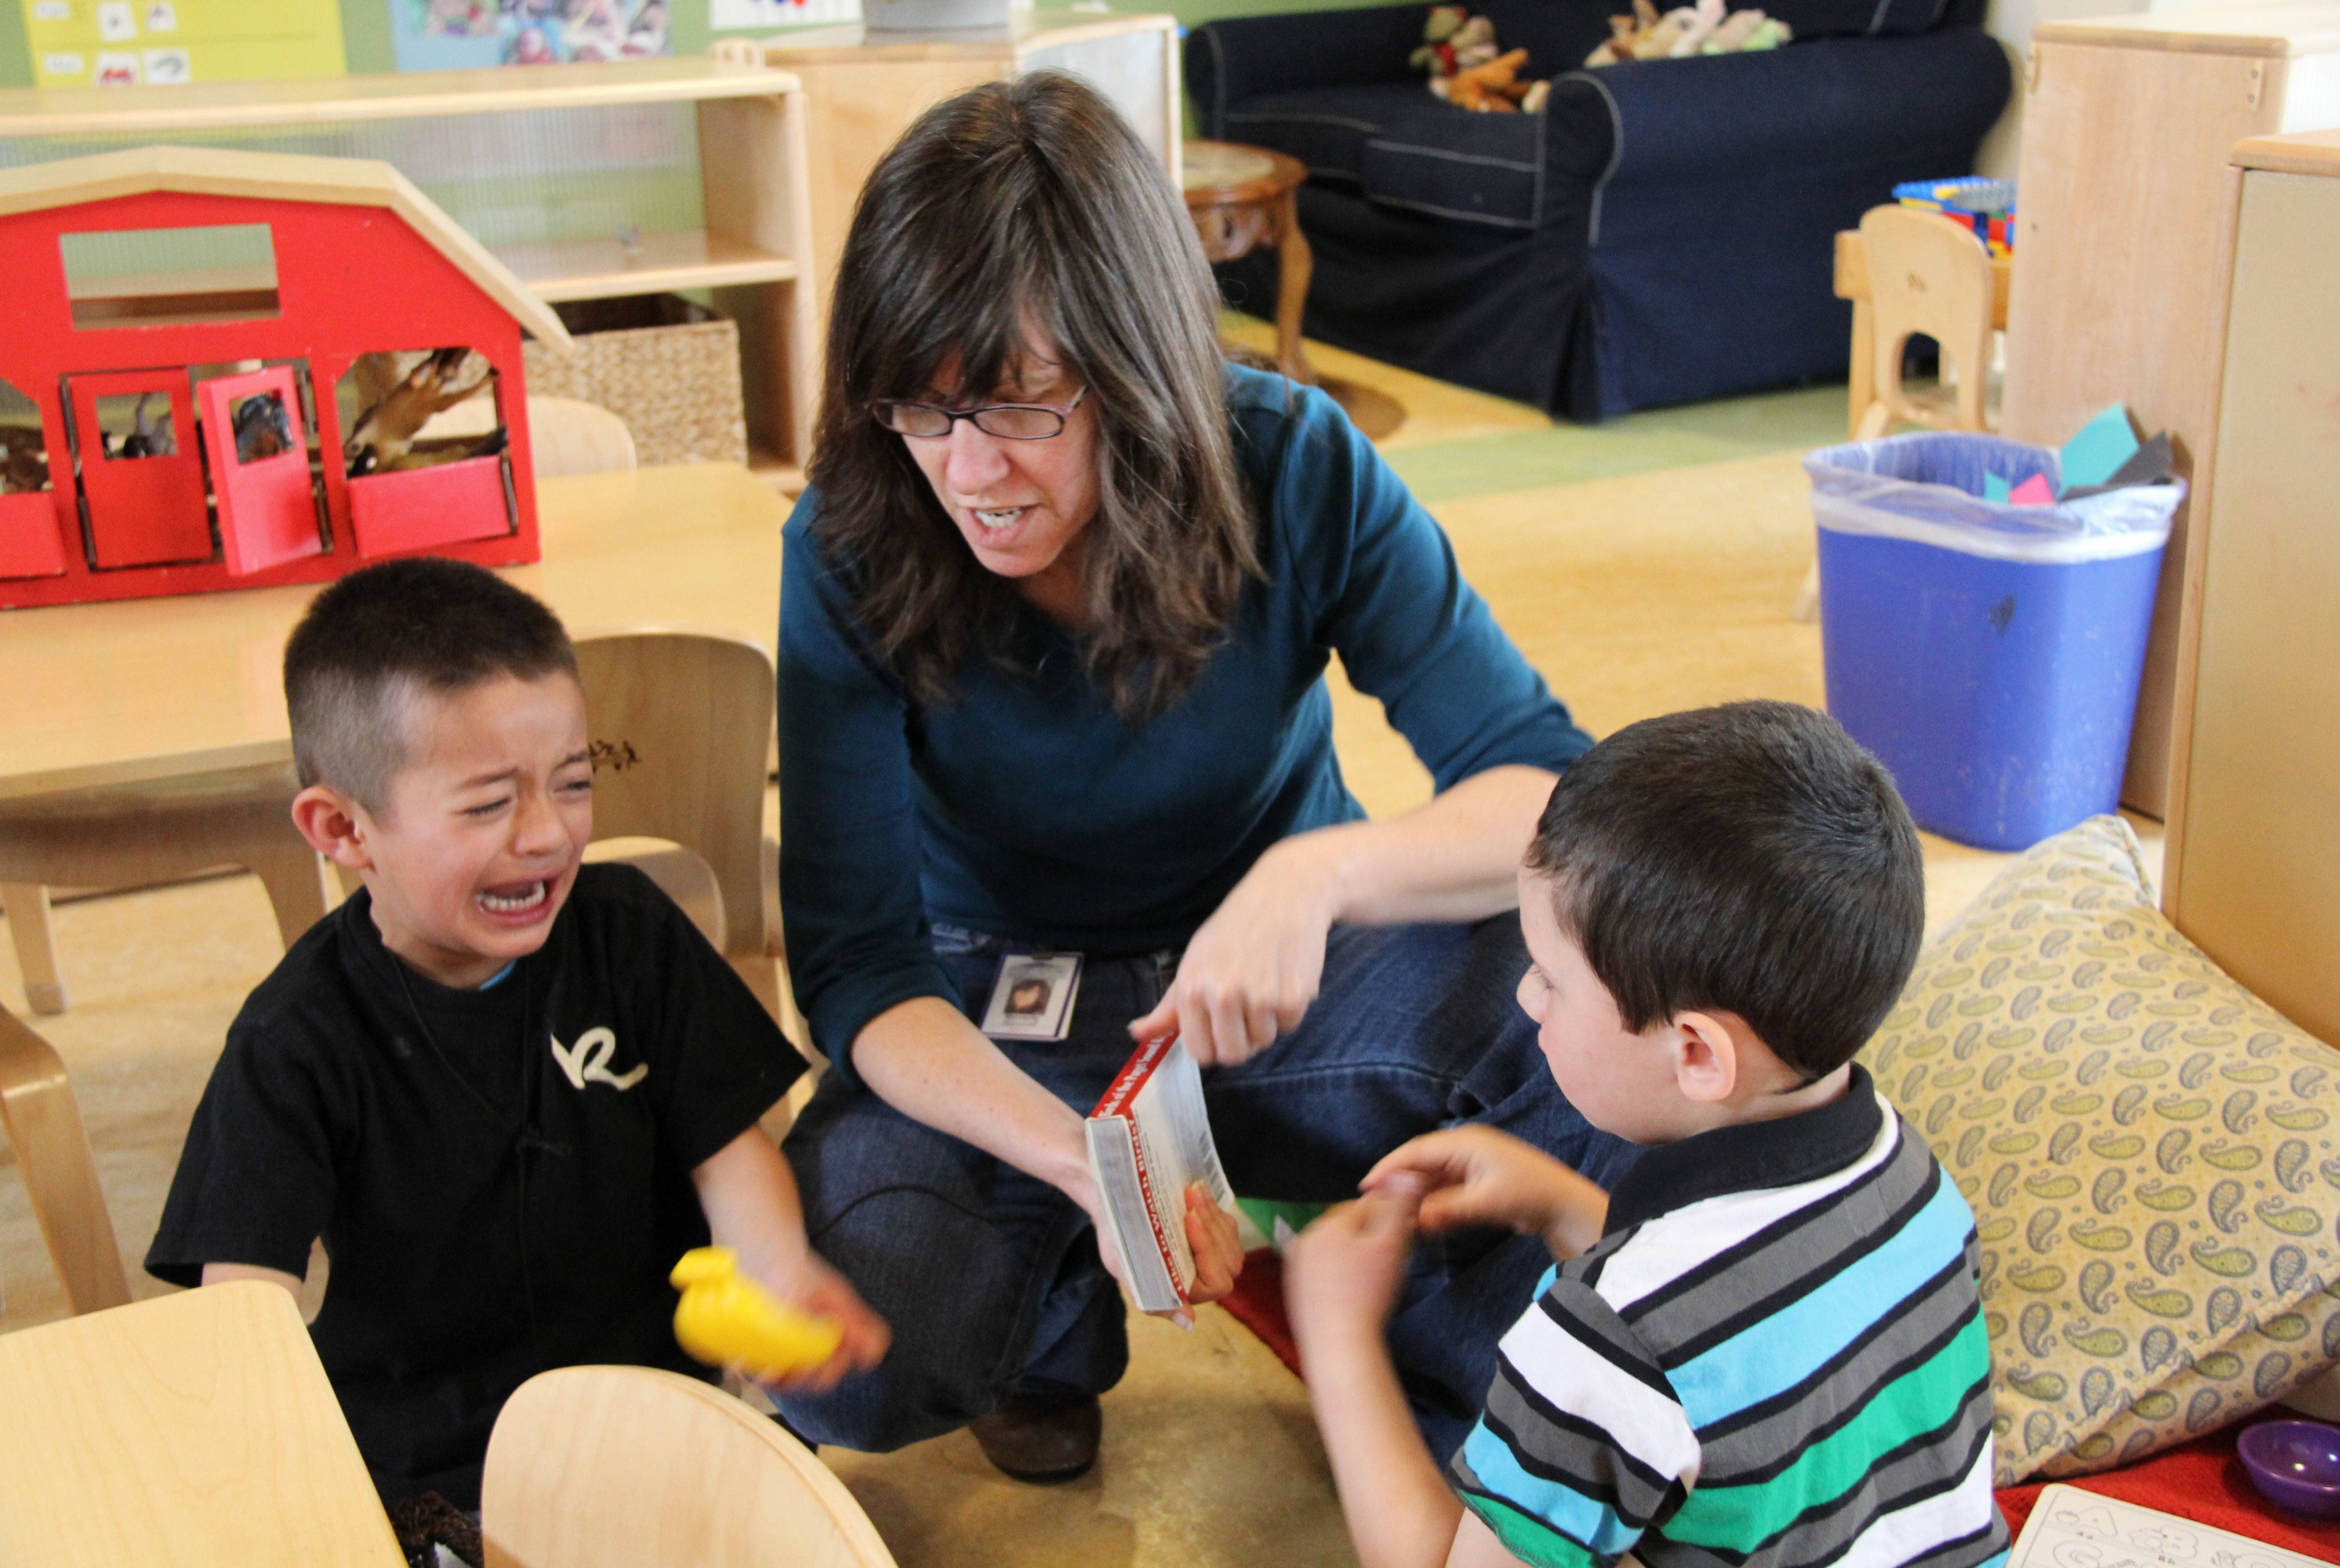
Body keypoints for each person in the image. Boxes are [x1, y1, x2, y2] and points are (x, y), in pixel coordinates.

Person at [775, 70, 1638, 1483]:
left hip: (1277, 984)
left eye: (1023, 407)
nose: (971, 470)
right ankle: (1050, 1297)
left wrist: (1316, 872)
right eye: (922, 413)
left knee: (1599, 1028)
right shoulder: (854, 533)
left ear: (1136, 367)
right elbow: (862, 970)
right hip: (993, 997)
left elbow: (1551, 790)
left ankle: (1408, 1334)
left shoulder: (1291, 464)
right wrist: (1080, 1165)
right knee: (853, 1360)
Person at [147, 559, 888, 1513]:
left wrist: (776, 1265)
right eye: (488, 804)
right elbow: (239, 1305)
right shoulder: (296, 1039)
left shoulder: (631, 936)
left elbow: (726, 1148)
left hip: (655, 1415)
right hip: (436, 1469)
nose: (546, 835)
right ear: (342, 827)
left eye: (572, 783)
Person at [1284, 702, 2009, 1568]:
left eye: (1550, 980)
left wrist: (1336, 1336)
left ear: (1697, 1053)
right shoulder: (1917, 1181)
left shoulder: (1608, 1335)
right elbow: (1742, 1333)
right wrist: (1563, 1208)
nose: (1526, 1001)